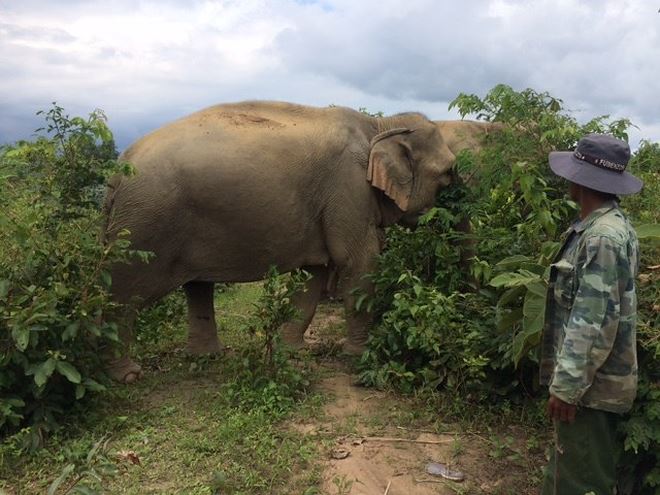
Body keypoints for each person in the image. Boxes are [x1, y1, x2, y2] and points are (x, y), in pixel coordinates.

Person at [540, 133, 643, 494]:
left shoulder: (602, 237)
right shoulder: (601, 228)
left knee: (580, 482)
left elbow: (593, 320)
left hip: (589, 390)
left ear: (580, 179)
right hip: (590, 386)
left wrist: (567, 388)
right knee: (568, 473)